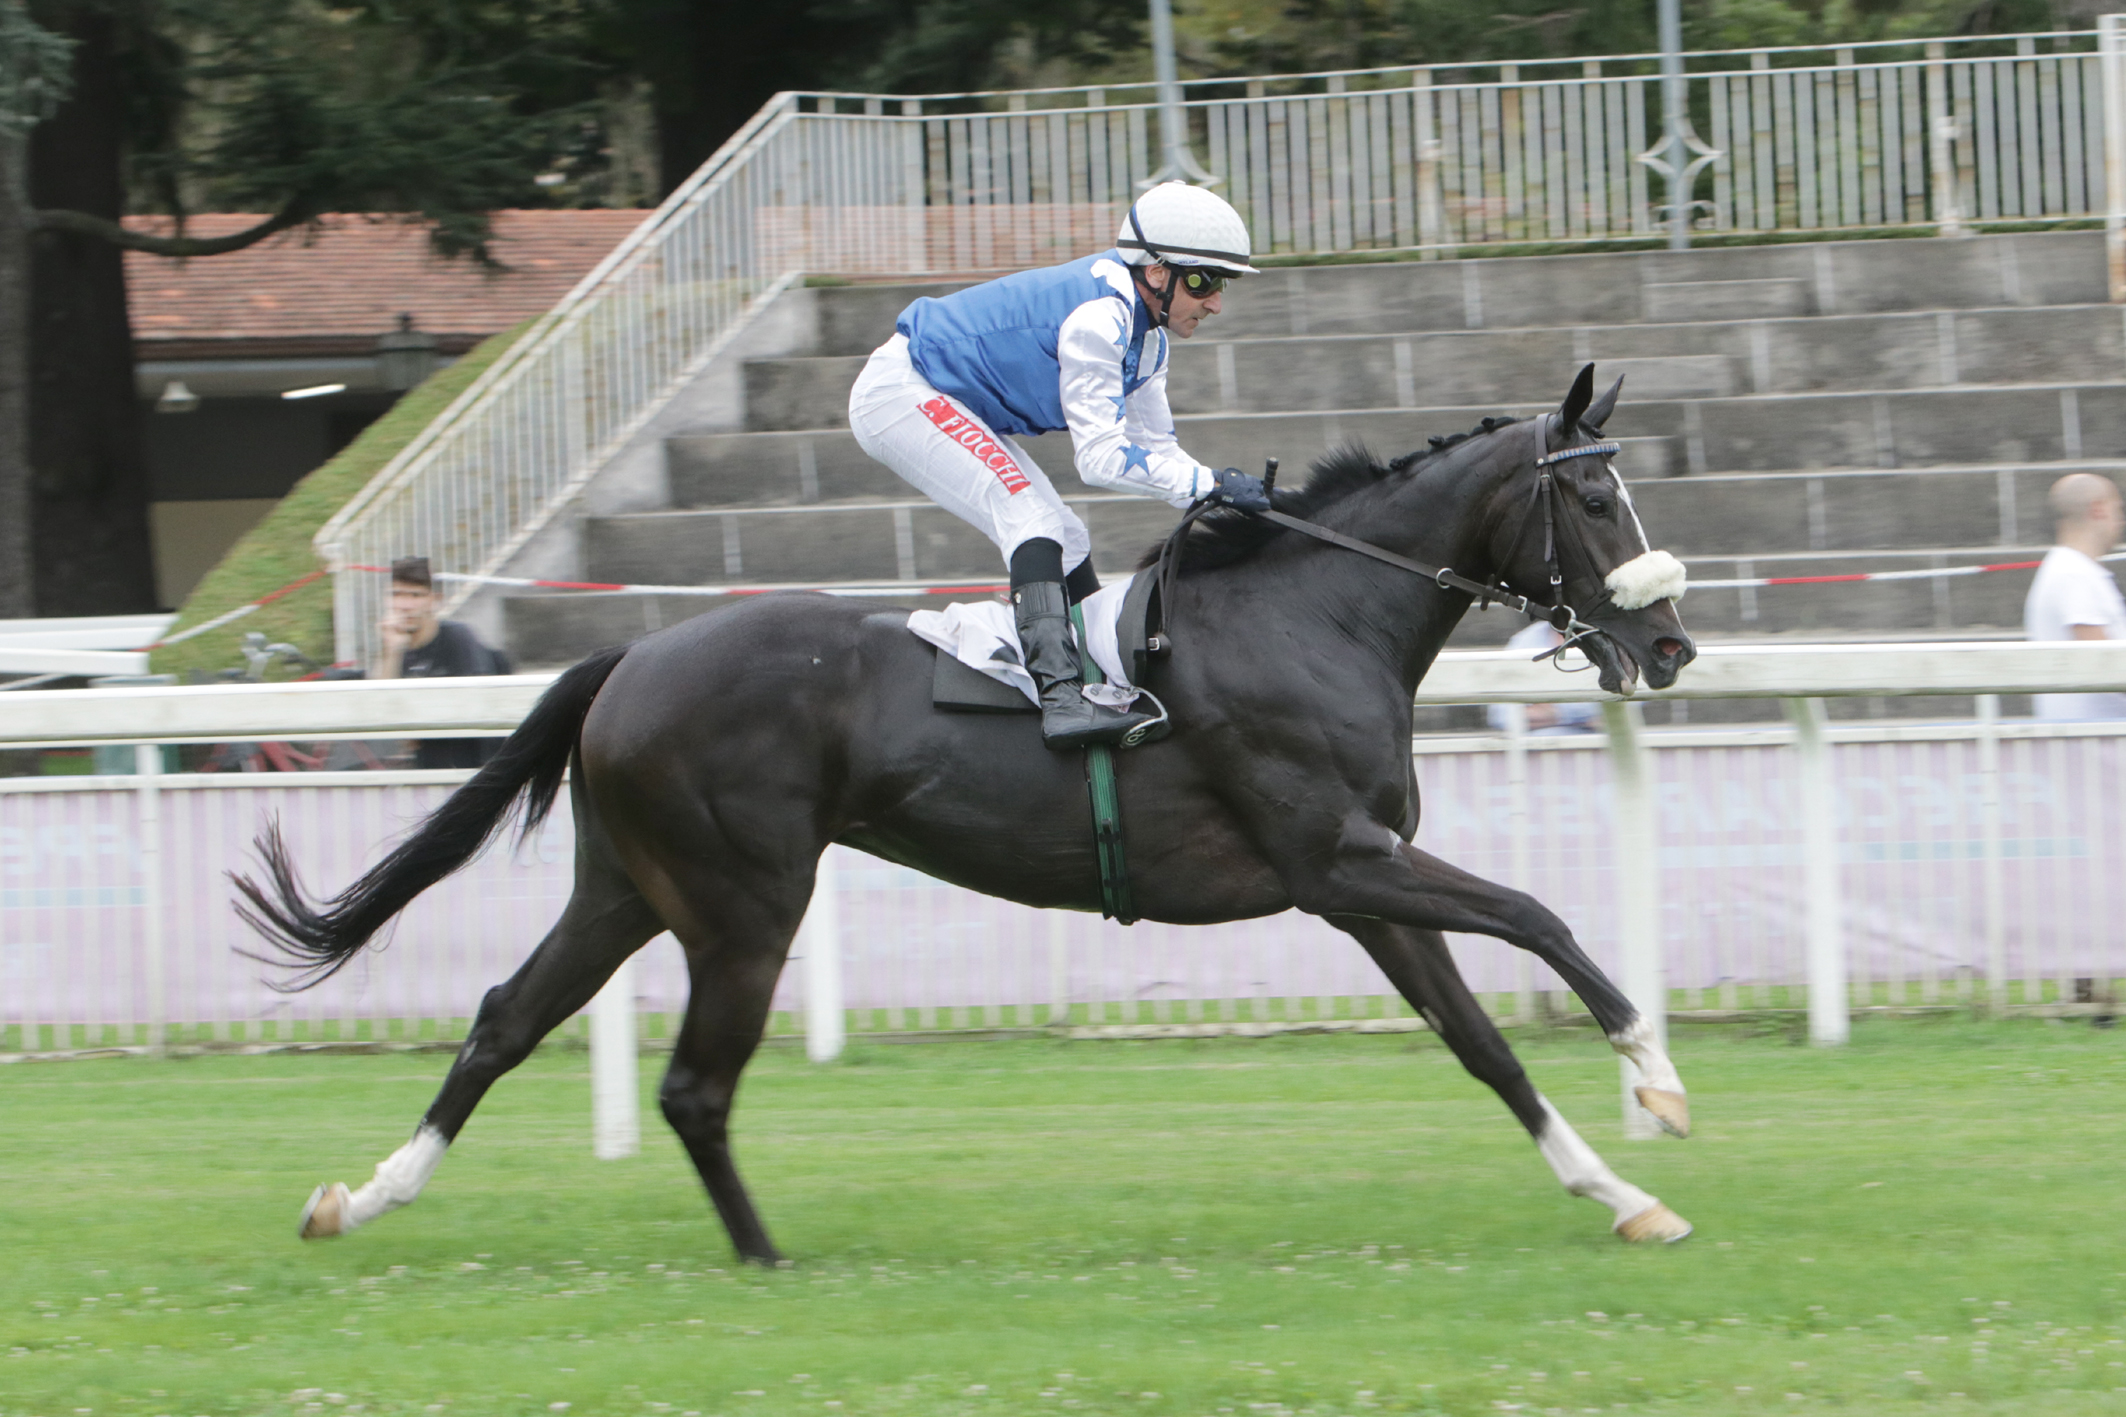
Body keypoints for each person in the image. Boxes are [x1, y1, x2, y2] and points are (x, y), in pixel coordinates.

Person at [848, 181, 1269, 749]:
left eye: (1222, 284)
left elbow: (1159, 450)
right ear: (1155, 273)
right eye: (1203, 281)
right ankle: (1061, 702)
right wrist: (1208, 485)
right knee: (1033, 521)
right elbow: (1100, 459)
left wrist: (1217, 490)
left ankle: (1095, 680)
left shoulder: (1149, 343)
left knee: (1066, 535)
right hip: (900, 392)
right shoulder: (1102, 320)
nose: (1215, 301)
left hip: (943, 395)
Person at [376, 556, 516, 767]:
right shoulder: (396, 649)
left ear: (435, 600)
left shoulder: (458, 638)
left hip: (472, 769)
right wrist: (392, 651)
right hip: (424, 773)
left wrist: (415, 726)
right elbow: (379, 714)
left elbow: (475, 704)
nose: (404, 605)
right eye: (396, 595)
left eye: (415, 595)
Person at [2023, 472, 2126, 721]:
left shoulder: (2071, 569)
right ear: (2098, 509)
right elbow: (2106, 663)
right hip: (2092, 749)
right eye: (2118, 509)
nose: (2122, 520)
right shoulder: (2074, 575)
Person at [1486, 619, 1602, 735]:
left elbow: (1610, 710)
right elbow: (1500, 715)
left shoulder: (1611, 632)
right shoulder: (1527, 639)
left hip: (1603, 744)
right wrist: (1582, 716)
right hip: (1536, 746)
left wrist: (1556, 712)